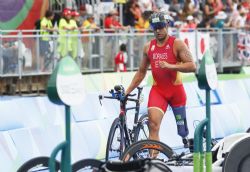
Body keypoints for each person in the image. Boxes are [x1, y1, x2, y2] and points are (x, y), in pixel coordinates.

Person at [125, 12, 196, 148]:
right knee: (153, 124)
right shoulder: (148, 47)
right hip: (159, 91)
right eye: (155, 27)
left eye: (161, 27)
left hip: (176, 92)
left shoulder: (177, 44)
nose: (158, 31)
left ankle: (185, 137)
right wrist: (128, 91)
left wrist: (171, 66)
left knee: (182, 130)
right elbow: (141, 72)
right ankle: (153, 161)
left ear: (167, 25)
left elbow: (192, 66)